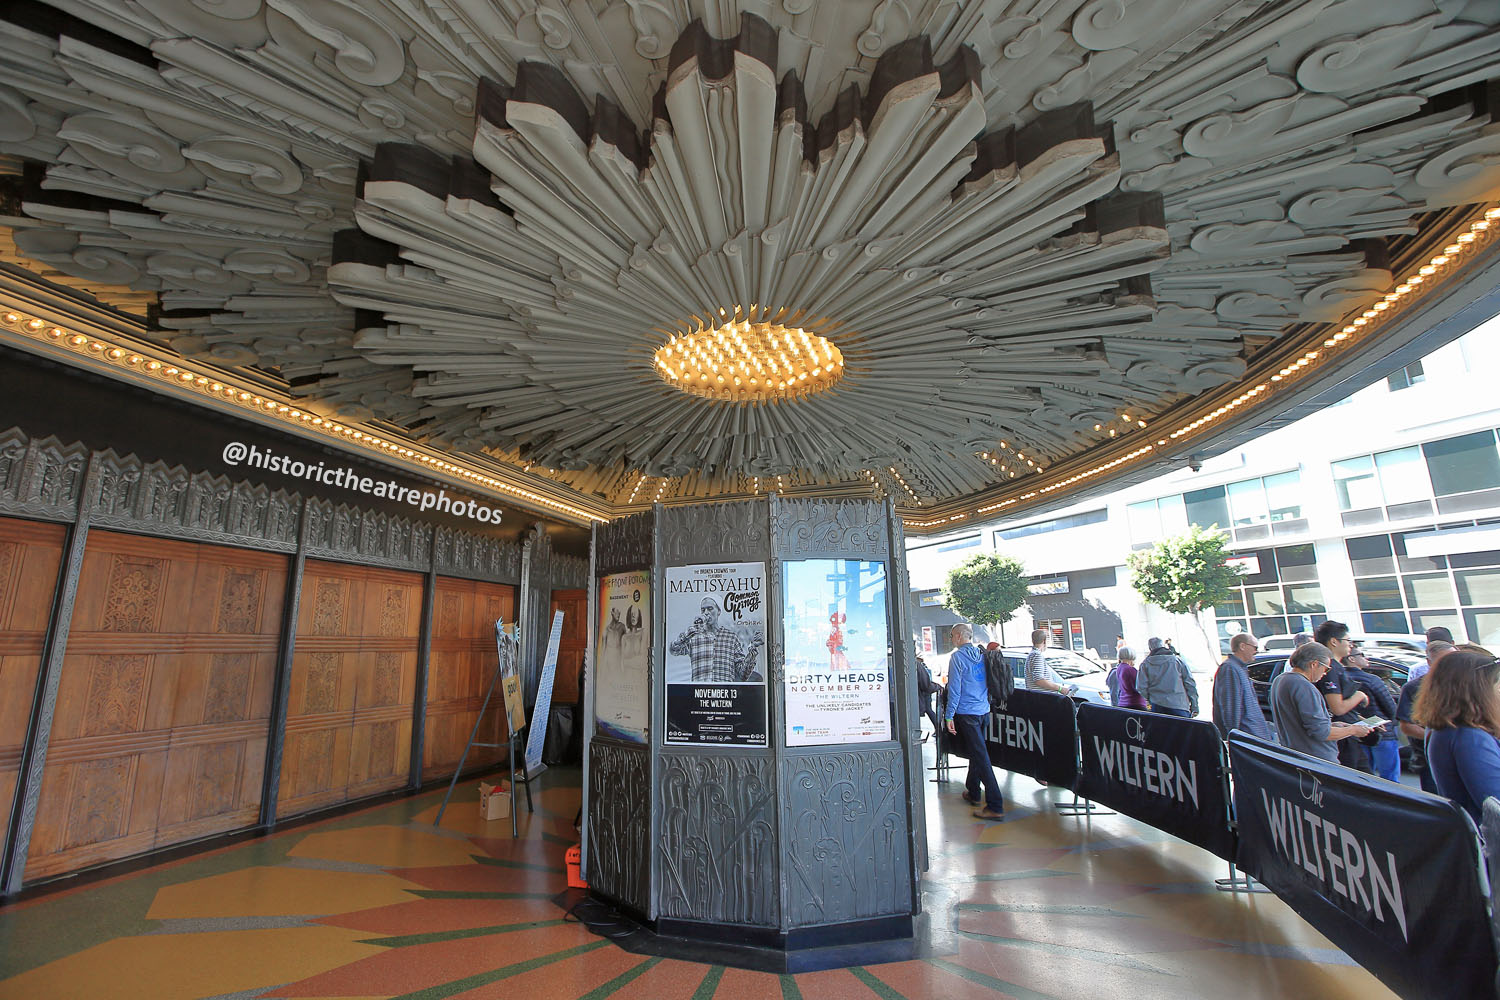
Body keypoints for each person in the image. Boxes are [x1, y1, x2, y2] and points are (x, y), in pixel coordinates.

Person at [1414, 650, 1500, 827]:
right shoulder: (1470, 737)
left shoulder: (1445, 729)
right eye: (1496, 684)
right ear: (1478, 691)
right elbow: (1494, 802)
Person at [1269, 641, 1376, 763]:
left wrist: (1335, 726)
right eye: (1326, 668)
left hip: (1298, 756)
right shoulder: (1303, 686)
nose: (1325, 673)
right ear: (1314, 664)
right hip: (1316, 759)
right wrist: (1353, 730)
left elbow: (1305, 724)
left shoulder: (1280, 680)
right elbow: (1321, 732)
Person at [944, 624, 1005, 820]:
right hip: (983, 710)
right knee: (977, 752)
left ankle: (995, 804)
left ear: (959, 636)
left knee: (981, 756)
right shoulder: (981, 654)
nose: (951, 639)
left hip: (967, 712)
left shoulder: (957, 658)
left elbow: (954, 689)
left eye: (952, 635)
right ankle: (973, 791)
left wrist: (949, 715)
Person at [1313, 620, 1371, 772]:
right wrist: (1359, 695)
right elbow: (1337, 708)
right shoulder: (1330, 668)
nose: (1350, 645)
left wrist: (1363, 720)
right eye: (1347, 640)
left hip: (1348, 731)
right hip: (1342, 737)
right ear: (1334, 641)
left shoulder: (1337, 667)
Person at [1398, 640, 1454, 792]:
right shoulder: (1414, 688)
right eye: (1444, 661)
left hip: (1459, 755)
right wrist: (1440, 739)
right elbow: (1407, 726)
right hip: (1430, 757)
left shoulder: (1463, 684)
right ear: (1429, 662)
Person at [668, 597, 763, 683]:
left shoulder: (731, 637)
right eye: (703, 610)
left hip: (725, 693)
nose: (706, 612)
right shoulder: (694, 637)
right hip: (699, 693)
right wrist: (687, 634)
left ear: (719, 611)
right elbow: (674, 650)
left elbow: (743, 675)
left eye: (710, 609)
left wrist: (753, 649)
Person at [1345, 649, 1400, 782]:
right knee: (1390, 778)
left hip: (1356, 731)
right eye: (1362, 655)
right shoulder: (1371, 679)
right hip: (1382, 731)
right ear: (1351, 659)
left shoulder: (1341, 678)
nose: (1366, 658)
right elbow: (1391, 707)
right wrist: (1393, 722)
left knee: (1365, 776)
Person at [1212, 633, 1273, 740]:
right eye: (1255, 647)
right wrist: (1234, 737)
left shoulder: (1238, 668)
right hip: (1246, 737)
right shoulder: (1229, 668)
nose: (1257, 651)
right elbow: (1230, 707)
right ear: (1242, 646)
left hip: (1252, 735)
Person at [1138, 637, 1199, 718]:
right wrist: (1194, 705)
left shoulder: (1145, 665)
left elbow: (1141, 688)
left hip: (1157, 707)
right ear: (1163, 646)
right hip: (1179, 706)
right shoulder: (1178, 661)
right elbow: (1190, 684)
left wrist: (1150, 698)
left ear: (1150, 648)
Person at [1025, 629, 1075, 696]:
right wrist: (1061, 689)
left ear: (1032, 641)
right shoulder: (1037, 655)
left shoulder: (1032, 654)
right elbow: (1039, 680)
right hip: (1042, 697)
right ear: (1044, 641)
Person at [914, 652, 943, 740]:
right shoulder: (918, 665)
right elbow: (926, 685)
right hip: (922, 695)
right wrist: (938, 687)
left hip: (920, 695)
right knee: (929, 710)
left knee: (928, 710)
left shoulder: (916, 665)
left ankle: (938, 729)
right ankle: (939, 729)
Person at [1114, 645, 1147, 710]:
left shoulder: (1119, 668)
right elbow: (1139, 687)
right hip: (1135, 703)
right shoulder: (1130, 670)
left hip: (1123, 702)